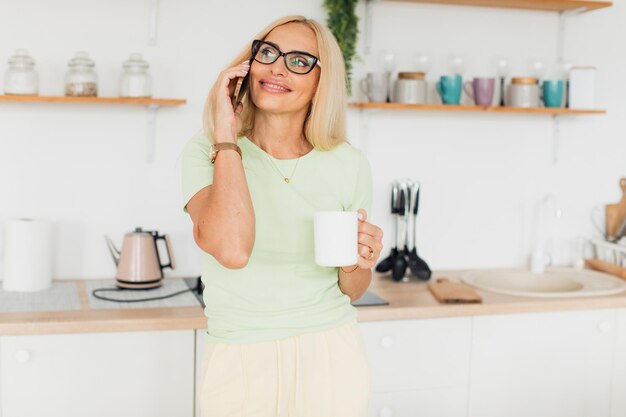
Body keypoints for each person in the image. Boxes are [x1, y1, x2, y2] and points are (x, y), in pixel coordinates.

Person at [180, 14, 384, 417]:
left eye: (299, 61)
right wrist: (225, 136)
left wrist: (359, 259)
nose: (277, 67)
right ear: (248, 65)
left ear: (320, 82)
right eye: (269, 53)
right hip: (240, 354)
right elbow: (233, 249)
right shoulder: (207, 151)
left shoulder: (348, 163)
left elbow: (353, 289)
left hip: (331, 352)